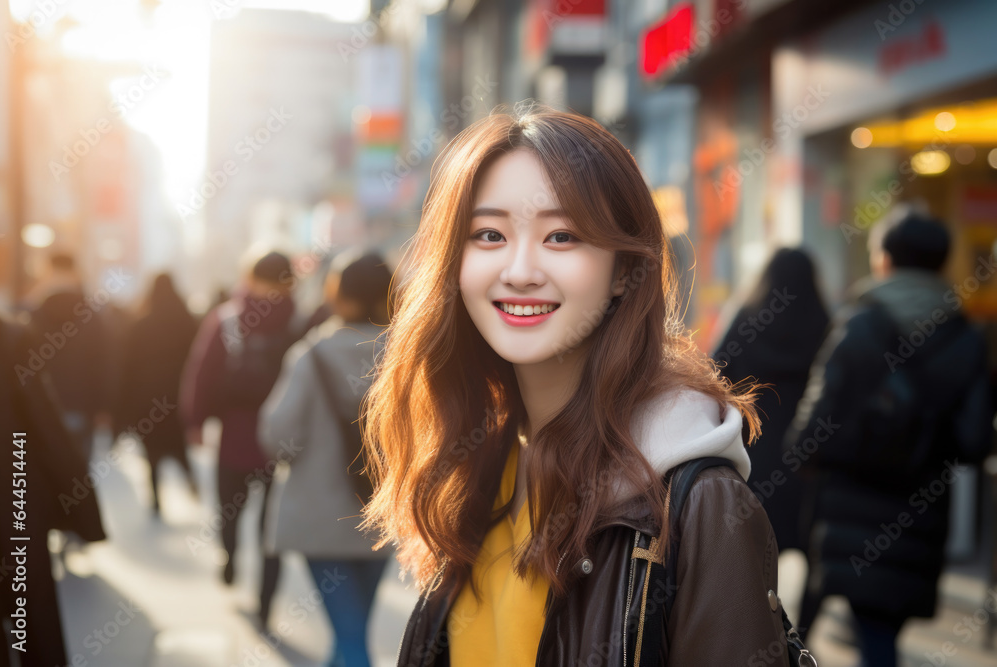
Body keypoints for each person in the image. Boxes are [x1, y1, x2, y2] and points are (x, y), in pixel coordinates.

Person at [360, 104, 793, 665]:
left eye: (561, 237)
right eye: (488, 234)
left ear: (622, 271)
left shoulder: (698, 506)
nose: (519, 270)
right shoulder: (478, 459)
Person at [786, 208, 993, 666]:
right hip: (920, 513)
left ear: (883, 259)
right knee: (882, 631)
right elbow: (976, 441)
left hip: (849, 508)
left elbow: (812, 427)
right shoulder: (965, 338)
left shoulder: (858, 326)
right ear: (942, 264)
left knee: (862, 631)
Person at [259, 250, 392, 667]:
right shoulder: (410, 355)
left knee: (350, 641)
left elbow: (279, 438)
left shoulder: (312, 355)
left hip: (321, 518)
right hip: (385, 517)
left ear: (340, 295)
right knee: (352, 634)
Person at [180, 251, 302, 629]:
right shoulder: (301, 320)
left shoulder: (227, 317)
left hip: (235, 433)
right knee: (272, 527)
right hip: (282, 440)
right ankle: (266, 604)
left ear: (249, 278)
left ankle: (229, 556)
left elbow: (201, 370)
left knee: (229, 509)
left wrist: (196, 421)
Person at [0, 311, 107, 666]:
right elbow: (44, 424)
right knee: (29, 611)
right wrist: (82, 509)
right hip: (12, 491)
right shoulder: (11, 337)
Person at [712, 248, 830, 552]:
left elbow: (713, 377)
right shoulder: (826, 327)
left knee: (754, 554)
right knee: (808, 549)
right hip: (807, 462)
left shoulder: (745, 322)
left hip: (752, 456)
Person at [118, 274, 199, 516]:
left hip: (147, 401)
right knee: (178, 447)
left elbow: (126, 368)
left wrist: (123, 409)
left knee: (151, 453)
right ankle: (191, 480)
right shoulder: (187, 323)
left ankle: (155, 500)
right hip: (177, 398)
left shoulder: (139, 326)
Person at [26, 252, 109, 461]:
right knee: (78, 470)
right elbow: (104, 363)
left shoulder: (32, 314)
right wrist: (103, 407)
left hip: (40, 406)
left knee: (43, 469)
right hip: (81, 404)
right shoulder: (92, 316)